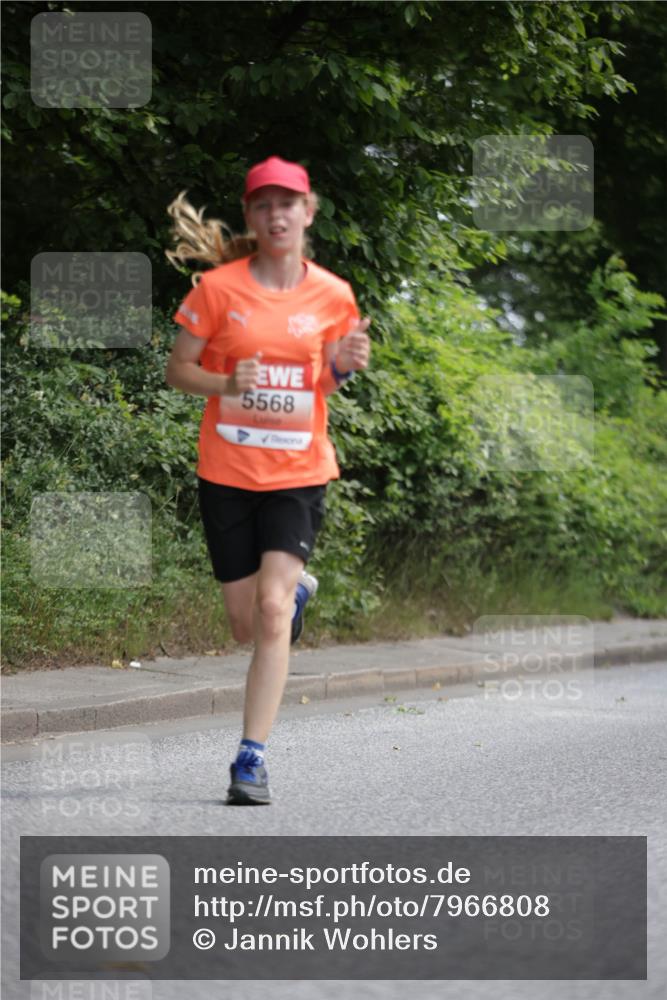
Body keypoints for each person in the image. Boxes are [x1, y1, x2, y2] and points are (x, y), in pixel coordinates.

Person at [164, 155, 371, 805]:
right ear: (251, 216)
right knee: (243, 625)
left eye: (289, 203)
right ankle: (294, 593)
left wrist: (341, 367)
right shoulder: (218, 290)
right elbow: (178, 371)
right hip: (226, 469)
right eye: (263, 204)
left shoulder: (333, 295)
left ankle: (250, 759)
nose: (276, 214)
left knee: (273, 610)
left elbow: (322, 383)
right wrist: (227, 382)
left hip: (297, 470)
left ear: (308, 214)